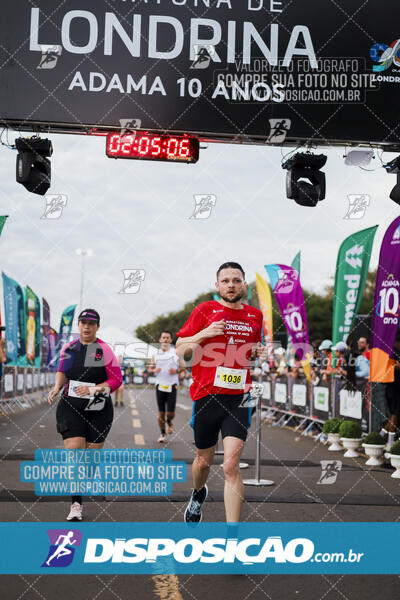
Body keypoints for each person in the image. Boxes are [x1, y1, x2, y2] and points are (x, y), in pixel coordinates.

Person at [175, 262, 265, 523]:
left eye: (236, 280)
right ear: (217, 285)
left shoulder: (254, 316)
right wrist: (204, 333)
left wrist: (256, 351)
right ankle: (197, 492)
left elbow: (249, 350)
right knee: (203, 462)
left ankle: (232, 536)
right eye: (225, 281)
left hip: (240, 397)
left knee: (230, 465)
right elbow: (181, 350)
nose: (231, 285)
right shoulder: (205, 310)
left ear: (243, 285)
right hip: (207, 396)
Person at [47, 308, 122, 521]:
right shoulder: (69, 348)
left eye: (91, 323)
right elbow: (62, 370)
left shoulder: (104, 350)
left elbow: (116, 380)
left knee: (90, 459)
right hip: (70, 405)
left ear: (97, 326)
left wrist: (93, 389)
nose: (86, 327)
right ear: (78, 325)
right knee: (74, 453)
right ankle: (76, 505)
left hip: (98, 406)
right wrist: (56, 387)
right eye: (83, 323)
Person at [148, 331, 186, 443]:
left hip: (172, 385)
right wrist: (154, 370)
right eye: (163, 337)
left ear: (170, 340)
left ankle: (169, 421)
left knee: (170, 413)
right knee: (160, 413)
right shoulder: (155, 355)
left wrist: (177, 371)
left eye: (167, 338)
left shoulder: (176, 353)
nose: (165, 339)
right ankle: (162, 434)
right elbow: (150, 370)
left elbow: (183, 368)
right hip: (160, 385)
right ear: (160, 340)